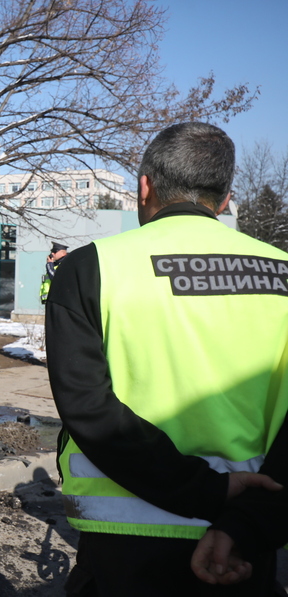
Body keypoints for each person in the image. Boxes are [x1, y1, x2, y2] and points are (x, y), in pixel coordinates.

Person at [45, 122, 288, 596]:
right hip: (241, 538)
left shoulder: (91, 267)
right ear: (223, 199)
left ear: (145, 186)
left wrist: (203, 489)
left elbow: (87, 406)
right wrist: (248, 521)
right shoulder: (282, 274)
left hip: (122, 541)